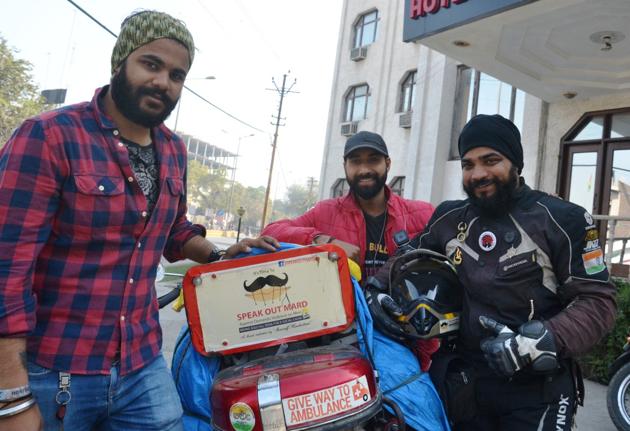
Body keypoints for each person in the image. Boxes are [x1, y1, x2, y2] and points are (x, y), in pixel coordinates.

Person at [0, 10, 278, 431]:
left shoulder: (173, 150)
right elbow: (6, 266)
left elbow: (172, 229)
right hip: (54, 368)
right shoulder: (49, 135)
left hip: (142, 364)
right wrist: (11, 395)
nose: (163, 82)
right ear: (119, 62)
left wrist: (217, 254)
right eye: (151, 64)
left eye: (177, 75)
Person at [370, 114, 617, 430]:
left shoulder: (562, 219)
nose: (478, 174)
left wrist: (537, 342)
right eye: (468, 164)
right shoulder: (448, 218)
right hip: (464, 384)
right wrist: (377, 289)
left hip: (538, 389)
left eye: (491, 160)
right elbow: (409, 256)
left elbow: (599, 303)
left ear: (515, 163)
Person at [262, 131, 434, 279]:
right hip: (346, 317)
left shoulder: (423, 214)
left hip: (403, 316)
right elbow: (272, 231)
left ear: (387, 164)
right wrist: (324, 241)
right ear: (345, 166)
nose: (364, 169)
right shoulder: (325, 212)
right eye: (355, 161)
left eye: (373, 160)